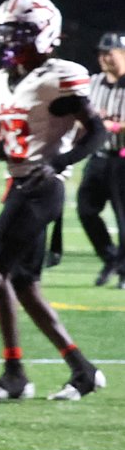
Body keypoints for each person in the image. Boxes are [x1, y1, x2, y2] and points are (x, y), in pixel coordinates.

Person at [0, 0, 109, 402]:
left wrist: (61, 161)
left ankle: (14, 374)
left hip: (42, 188)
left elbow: (96, 131)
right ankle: (82, 370)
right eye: (8, 32)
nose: (12, 41)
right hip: (20, 183)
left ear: (46, 33)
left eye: (22, 32)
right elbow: (17, 144)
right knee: (24, 284)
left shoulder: (58, 76)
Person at [77, 31, 125, 288]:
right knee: (86, 210)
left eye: (110, 53)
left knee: (123, 218)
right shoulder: (92, 83)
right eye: (102, 53)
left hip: (123, 159)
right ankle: (110, 257)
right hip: (98, 157)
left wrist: (114, 126)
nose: (104, 58)